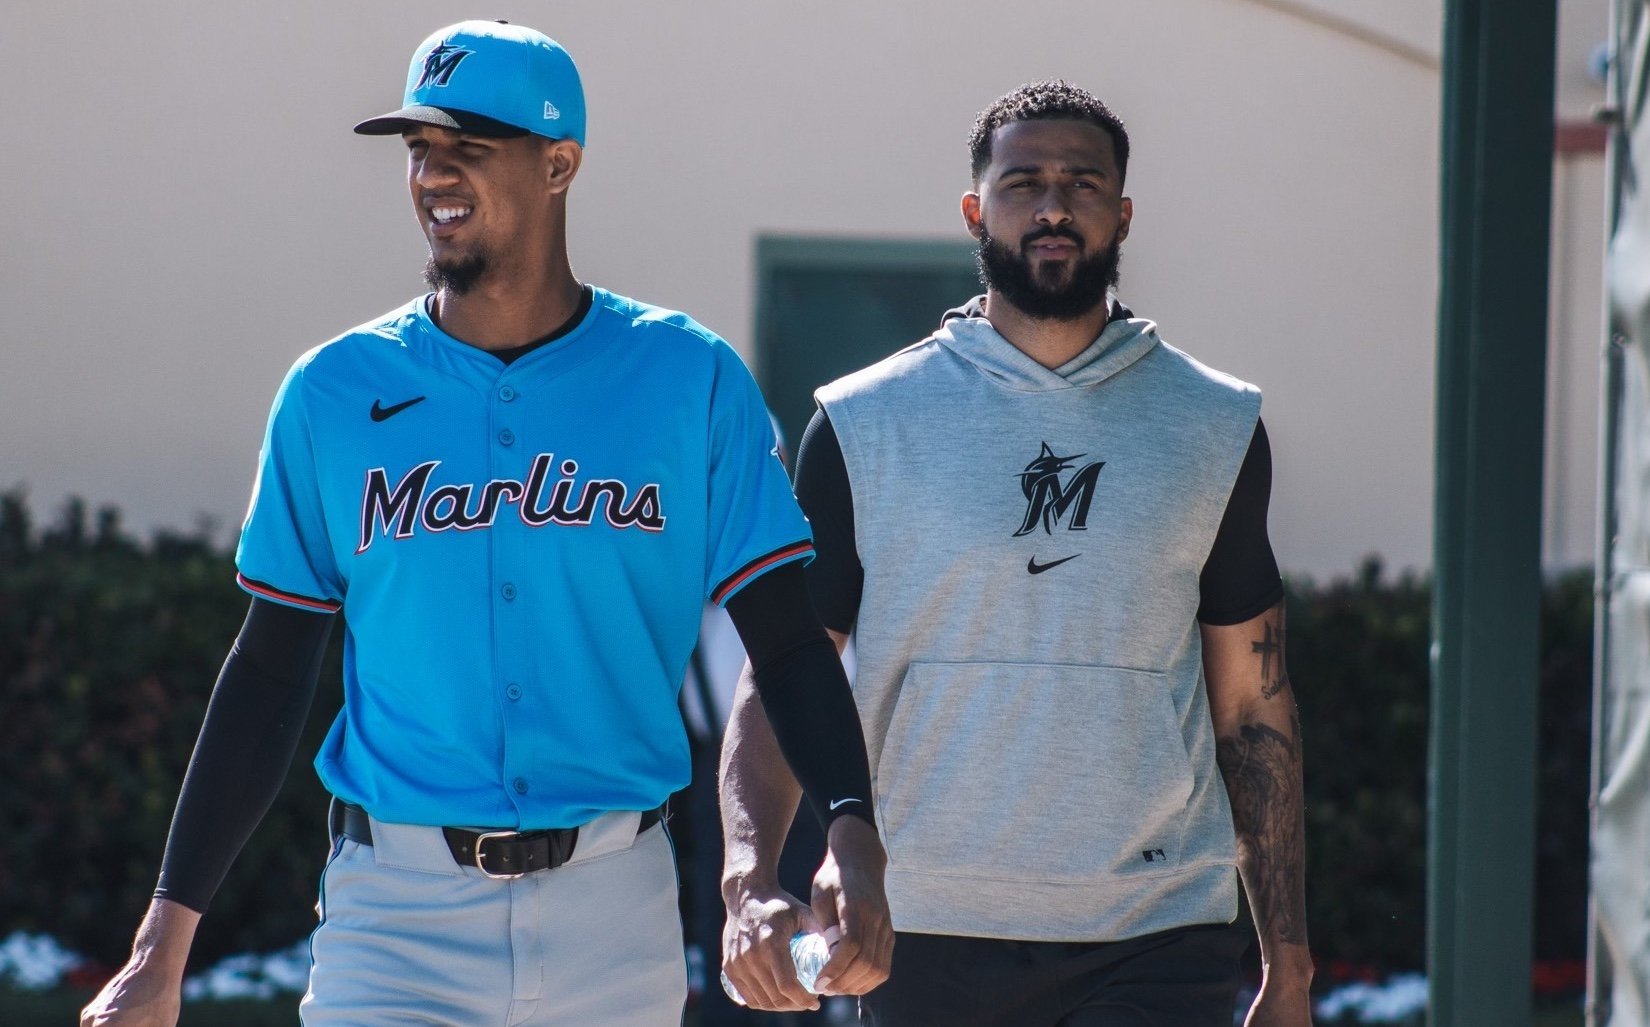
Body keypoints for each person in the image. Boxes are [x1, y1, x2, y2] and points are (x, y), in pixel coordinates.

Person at [81, 20, 890, 1027]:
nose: (434, 174)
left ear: (560, 163)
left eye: (470, 145)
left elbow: (788, 645)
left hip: (613, 902)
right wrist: (163, 948)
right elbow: (270, 671)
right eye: (420, 149)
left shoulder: (688, 380)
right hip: (395, 909)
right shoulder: (332, 392)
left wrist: (847, 829)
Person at [719, 81, 1313, 1026]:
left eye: (1082, 184)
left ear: (1122, 213)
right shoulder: (865, 421)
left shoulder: (1215, 423)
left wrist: (1289, 960)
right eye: (1023, 181)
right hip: (927, 925)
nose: (1052, 206)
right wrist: (749, 879)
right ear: (974, 209)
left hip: (1157, 929)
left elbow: (1252, 704)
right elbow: (787, 666)